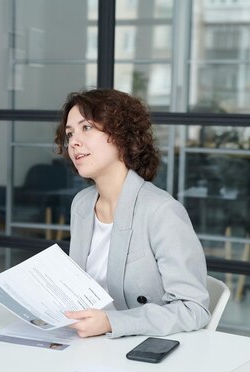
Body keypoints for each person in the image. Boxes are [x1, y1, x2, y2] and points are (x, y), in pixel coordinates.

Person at [53, 88, 210, 338]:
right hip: (87, 343)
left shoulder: (161, 211)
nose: (73, 142)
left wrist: (111, 323)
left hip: (140, 347)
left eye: (87, 128)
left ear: (120, 135)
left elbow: (194, 309)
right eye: (69, 133)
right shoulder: (82, 205)